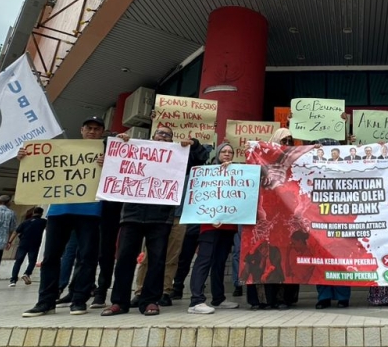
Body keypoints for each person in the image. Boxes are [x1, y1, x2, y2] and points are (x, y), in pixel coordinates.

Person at [105, 127, 210, 316]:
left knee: (157, 260)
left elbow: (200, 158)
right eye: (160, 133)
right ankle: (119, 302)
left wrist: (193, 144)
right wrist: (118, 141)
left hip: (161, 216)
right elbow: (110, 156)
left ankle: (150, 301)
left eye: (168, 135)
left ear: (171, 140)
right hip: (132, 214)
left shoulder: (176, 156)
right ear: (152, 137)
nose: (163, 136)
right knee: (124, 259)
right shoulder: (135, 149)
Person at [22, 116, 106, 317]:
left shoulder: (107, 153)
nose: (92, 132)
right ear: (82, 130)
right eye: (89, 128)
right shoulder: (62, 149)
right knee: (51, 256)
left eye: (97, 129)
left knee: (87, 257)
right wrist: (26, 157)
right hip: (59, 210)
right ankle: (45, 301)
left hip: (90, 211)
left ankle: (79, 300)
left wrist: (108, 164)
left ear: (102, 132)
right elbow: (41, 164)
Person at [246, 128, 301, 310]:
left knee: (283, 259)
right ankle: (261, 300)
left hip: (286, 220)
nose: (287, 144)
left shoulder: (295, 162)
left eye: (290, 141)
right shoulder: (261, 160)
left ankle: (283, 299)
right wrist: (252, 149)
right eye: (283, 140)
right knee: (261, 258)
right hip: (263, 218)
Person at [188, 142, 241, 314]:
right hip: (209, 225)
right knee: (205, 259)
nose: (227, 154)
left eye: (230, 151)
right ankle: (196, 300)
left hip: (228, 225)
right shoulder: (207, 172)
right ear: (217, 154)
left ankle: (218, 298)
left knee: (219, 263)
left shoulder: (237, 172)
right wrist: (210, 217)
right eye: (224, 151)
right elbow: (200, 198)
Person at [9, 207, 46, 286]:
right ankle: (27, 273)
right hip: (35, 244)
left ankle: (13, 280)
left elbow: (15, 232)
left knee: (18, 261)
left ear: (33, 213)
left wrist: (9, 242)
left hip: (23, 243)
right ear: (42, 213)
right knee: (32, 261)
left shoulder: (25, 222)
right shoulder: (43, 222)